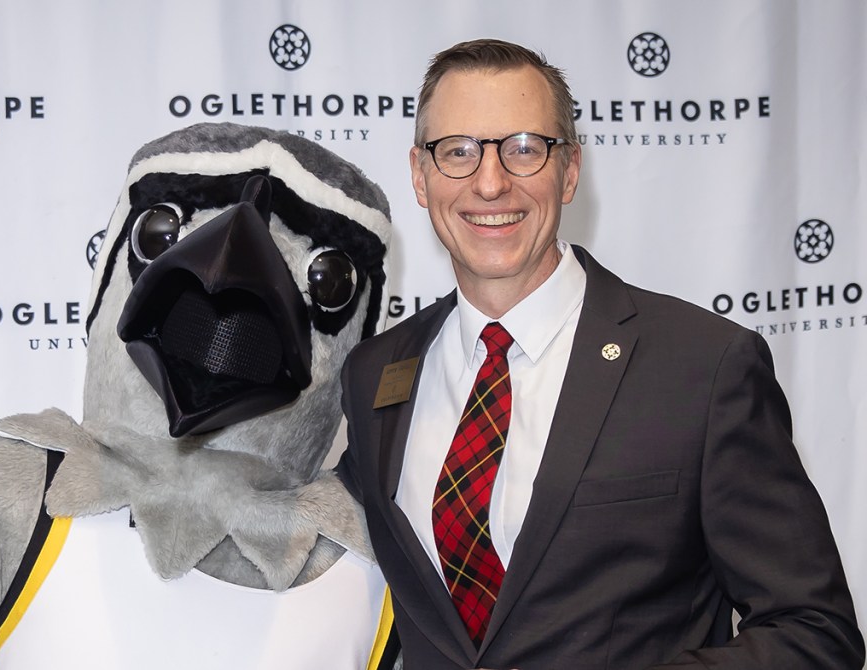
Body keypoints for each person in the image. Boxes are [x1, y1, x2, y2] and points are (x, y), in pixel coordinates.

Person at [336, 38, 865, 669]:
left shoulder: (704, 367)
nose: (490, 181)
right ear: (421, 177)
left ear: (571, 170)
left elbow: (814, 630)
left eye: (525, 149)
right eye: (458, 152)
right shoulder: (375, 375)